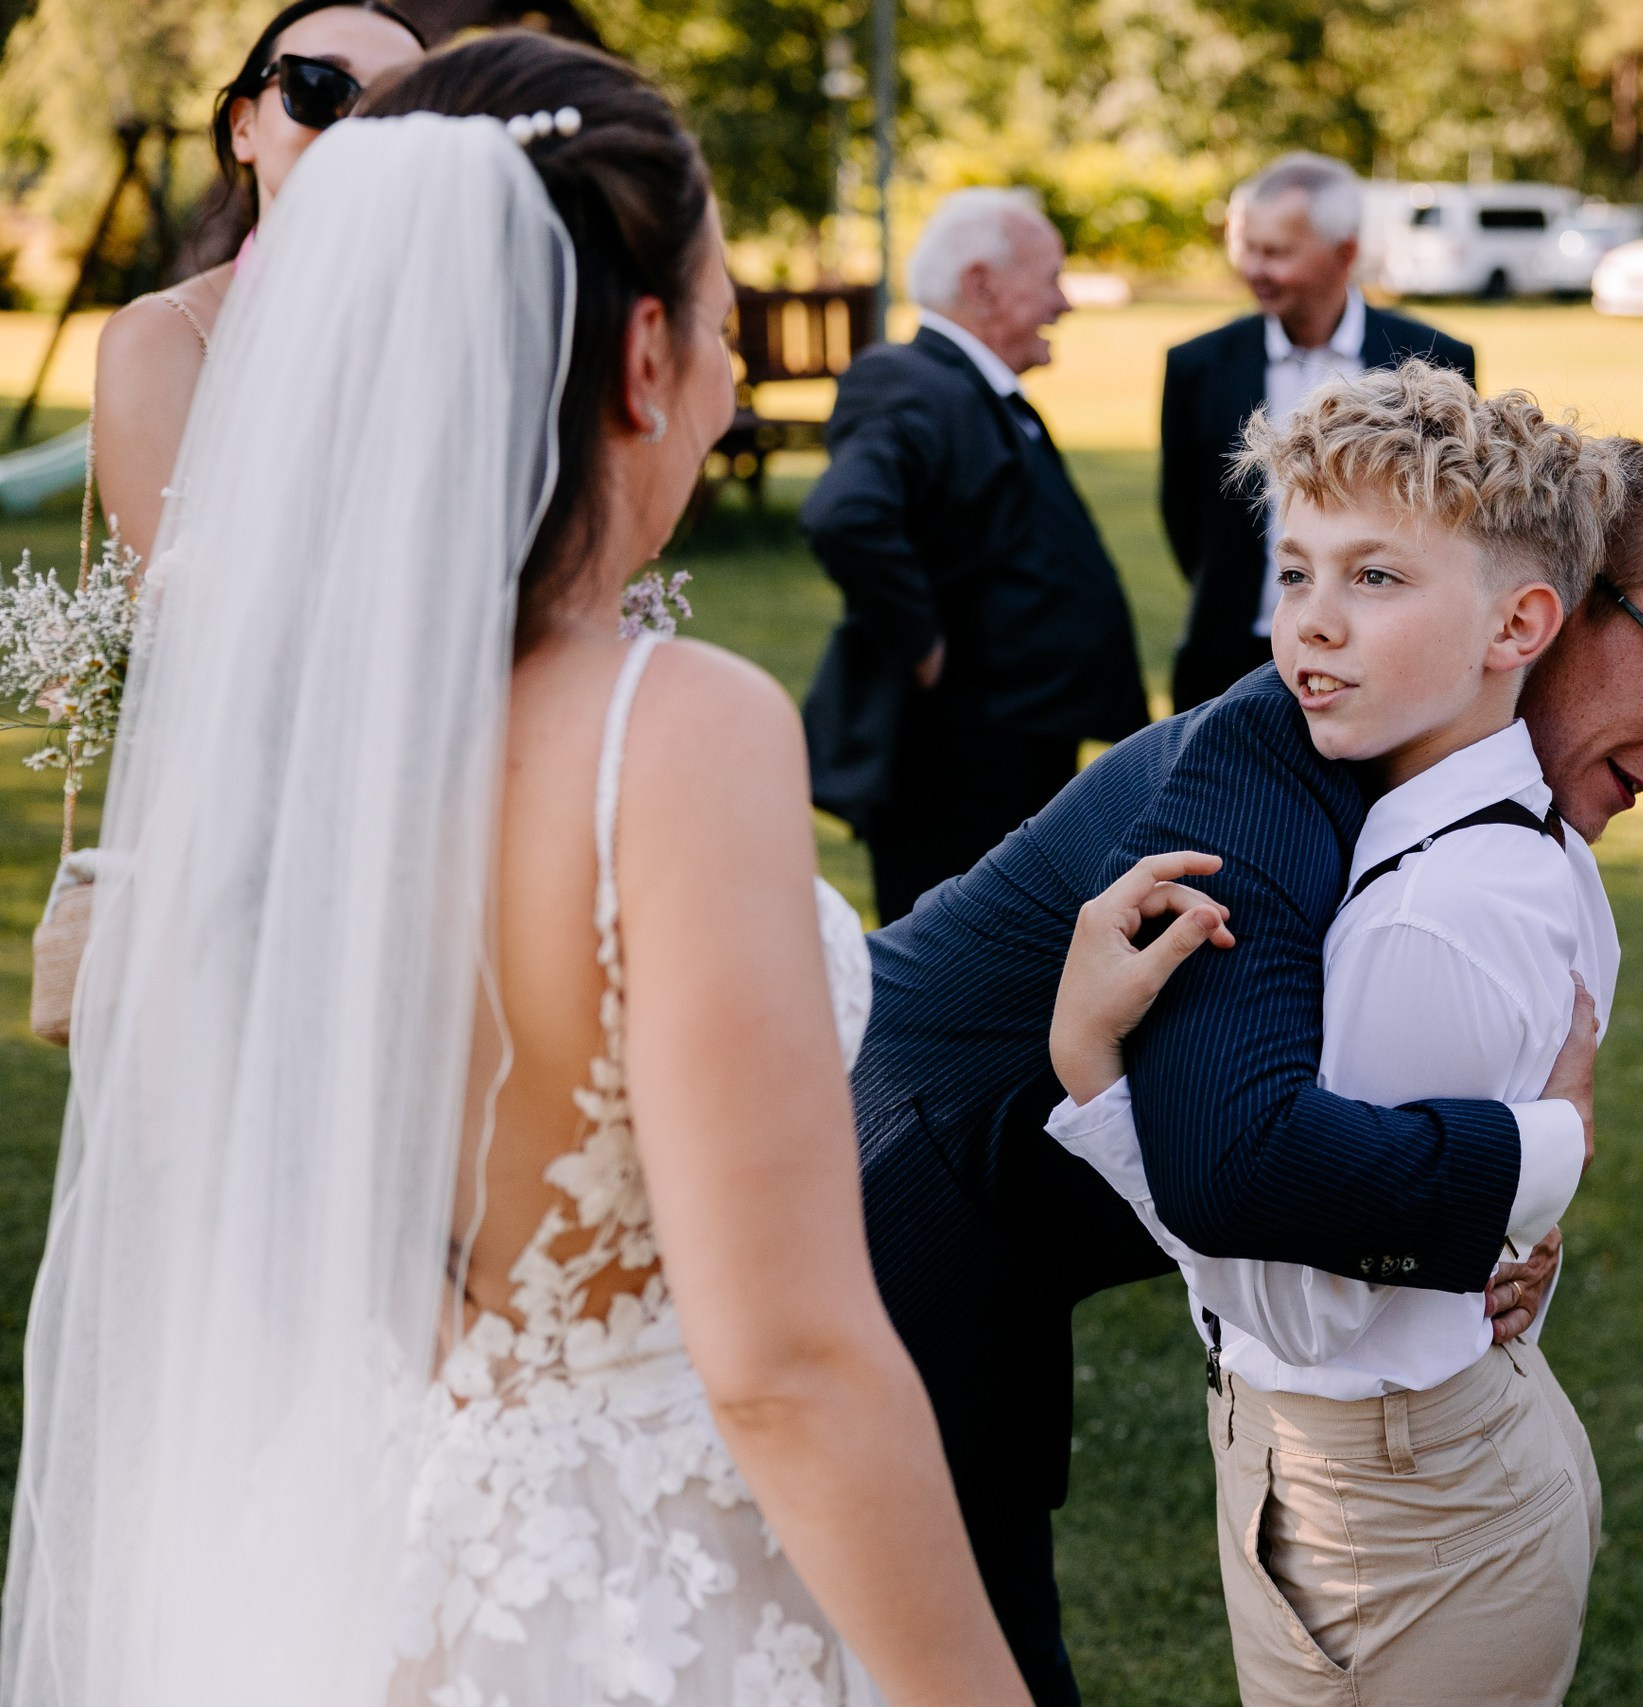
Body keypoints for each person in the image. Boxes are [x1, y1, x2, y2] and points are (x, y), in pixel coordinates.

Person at [1, 36, 1031, 1706]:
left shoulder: (278, 729)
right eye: (721, 322)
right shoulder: (674, 729)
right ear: (644, 354)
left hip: (336, 1559)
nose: (725, 372)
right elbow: (784, 1364)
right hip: (628, 1592)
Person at [853, 436, 1643, 1703]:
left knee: (995, 1605)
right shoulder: (1264, 772)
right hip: (894, 1191)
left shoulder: (1466, 806)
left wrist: (1505, 1221)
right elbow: (1240, 1170)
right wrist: (1537, 1156)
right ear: (1543, 615)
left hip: (1030, 1227)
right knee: (912, 1639)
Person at [1044, 365, 1619, 1704]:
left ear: (1518, 621)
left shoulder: (1423, 918)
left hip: (1389, 1507)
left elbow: (1297, 1302)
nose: (1311, 624)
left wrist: (1095, 1076)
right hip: (1425, 1461)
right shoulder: (1502, 838)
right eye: (1295, 572)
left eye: (1375, 578)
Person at [800, 188, 1147, 922]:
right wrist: (922, 643)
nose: (1065, 301)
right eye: (1050, 277)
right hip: (955, 769)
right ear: (984, 283)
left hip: (1012, 755)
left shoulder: (975, 389)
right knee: (951, 987)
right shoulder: (910, 381)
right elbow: (846, 514)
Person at [89, 0, 427, 562]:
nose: (360, 126)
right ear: (243, 127)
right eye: (321, 88)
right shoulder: (164, 338)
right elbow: (171, 619)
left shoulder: (478, 326)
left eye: (403, 104)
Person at [1160, 152, 1475, 711]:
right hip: (1229, 658)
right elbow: (1183, 514)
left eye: (1276, 253)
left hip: (1381, 660)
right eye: (1249, 248)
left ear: (1345, 253)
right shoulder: (1196, 365)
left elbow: (1449, 515)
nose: (1255, 269)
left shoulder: (1434, 359)